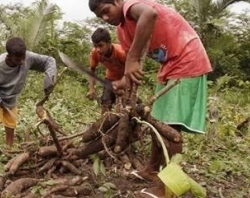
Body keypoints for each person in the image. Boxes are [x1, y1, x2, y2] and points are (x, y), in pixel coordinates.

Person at [89, 0, 213, 197]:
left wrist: (131, 60)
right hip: (169, 66)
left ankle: (169, 186)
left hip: (187, 58)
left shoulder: (132, 4)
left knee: (171, 127)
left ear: (118, 1)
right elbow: (132, 63)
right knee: (157, 120)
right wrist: (122, 81)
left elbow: (149, 15)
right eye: (100, 16)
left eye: (106, 10)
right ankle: (152, 170)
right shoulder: (122, 30)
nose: (105, 18)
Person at [0, 37, 57, 152]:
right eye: (18, 59)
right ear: (9, 57)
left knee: (11, 123)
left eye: (23, 57)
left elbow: (49, 61)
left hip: (12, 96)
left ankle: (9, 148)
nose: (22, 61)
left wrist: (49, 79)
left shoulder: (27, 57)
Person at [87, 27, 126, 115]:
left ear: (109, 43)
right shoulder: (95, 53)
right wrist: (91, 88)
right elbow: (92, 70)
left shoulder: (121, 52)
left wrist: (122, 85)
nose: (98, 49)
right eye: (95, 46)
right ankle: (103, 126)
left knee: (125, 106)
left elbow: (130, 71)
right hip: (110, 79)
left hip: (125, 79)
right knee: (105, 103)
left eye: (100, 45)